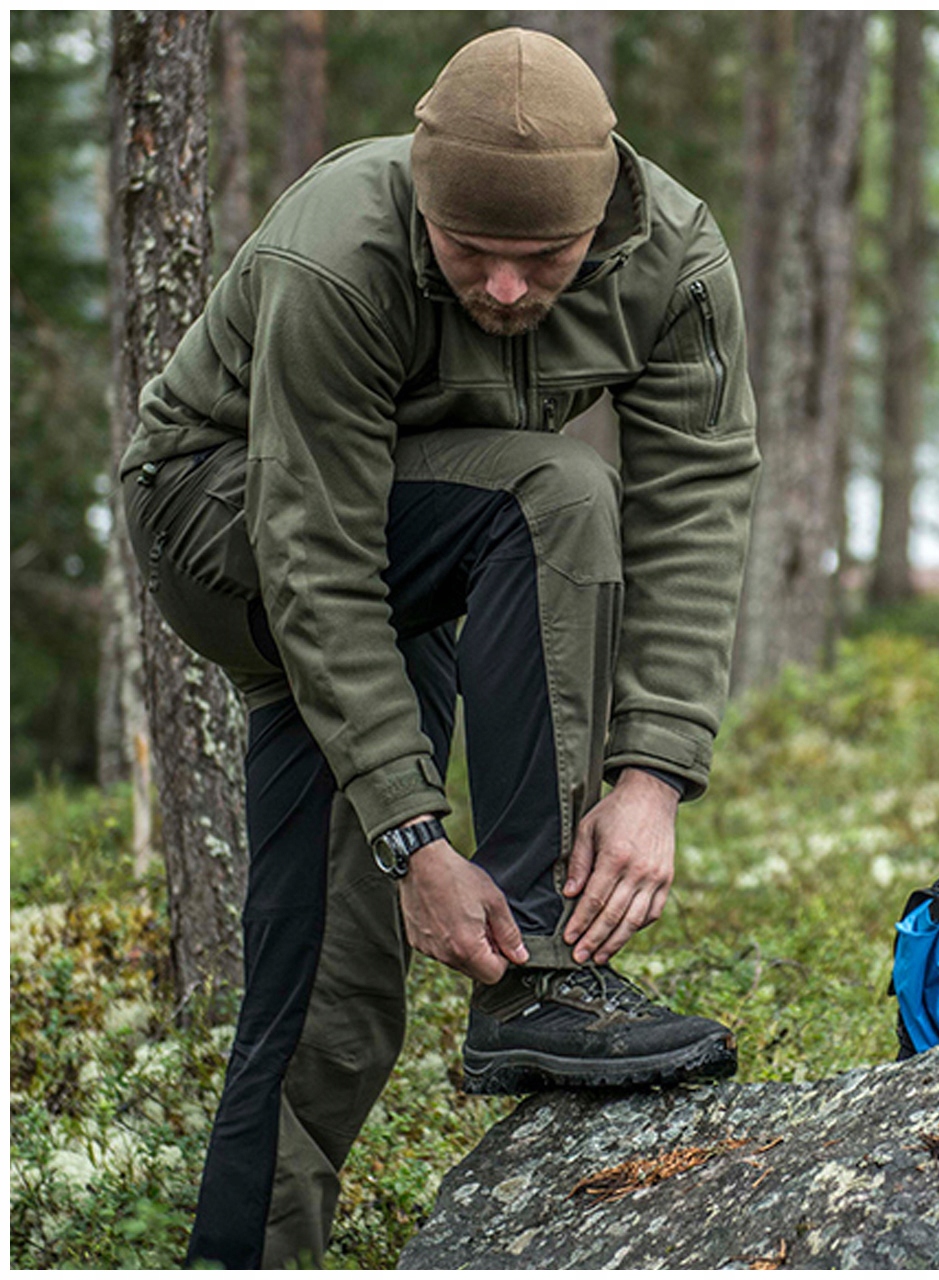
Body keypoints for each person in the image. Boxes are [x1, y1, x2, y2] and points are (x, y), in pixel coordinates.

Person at [120, 27, 759, 1269]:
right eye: (472, 253)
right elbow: (313, 554)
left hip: (410, 539)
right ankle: (539, 971)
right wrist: (415, 832)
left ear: (605, 212)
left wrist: (652, 777)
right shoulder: (339, 252)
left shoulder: (673, 261)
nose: (507, 290)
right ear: (421, 195)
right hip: (222, 514)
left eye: (546, 259)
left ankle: (240, 1252)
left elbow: (694, 508)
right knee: (555, 493)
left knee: (332, 989)